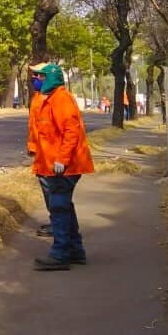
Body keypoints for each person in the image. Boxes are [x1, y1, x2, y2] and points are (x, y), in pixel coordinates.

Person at [29, 62, 95, 271]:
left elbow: (71, 132)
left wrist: (62, 160)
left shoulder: (61, 99)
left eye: (39, 76)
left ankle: (60, 254)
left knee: (58, 207)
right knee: (64, 207)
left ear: (50, 78)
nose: (35, 80)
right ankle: (75, 251)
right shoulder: (48, 99)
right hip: (55, 164)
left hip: (65, 166)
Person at [27, 62, 53, 239]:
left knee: (54, 193)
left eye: (38, 75)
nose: (34, 78)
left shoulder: (49, 99)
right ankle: (55, 222)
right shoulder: (38, 96)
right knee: (48, 190)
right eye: (33, 74)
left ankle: (58, 226)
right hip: (41, 152)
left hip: (50, 155)